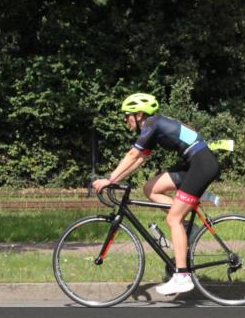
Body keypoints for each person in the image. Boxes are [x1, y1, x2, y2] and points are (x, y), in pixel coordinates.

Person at [92, 92, 221, 295]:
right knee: (150, 188)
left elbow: (132, 154)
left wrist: (109, 180)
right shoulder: (154, 125)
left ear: (139, 114)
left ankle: (182, 276)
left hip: (201, 165)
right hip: (193, 163)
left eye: (127, 115)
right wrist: (115, 179)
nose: (126, 121)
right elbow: (140, 158)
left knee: (173, 219)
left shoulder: (152, 124)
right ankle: (188, 228)